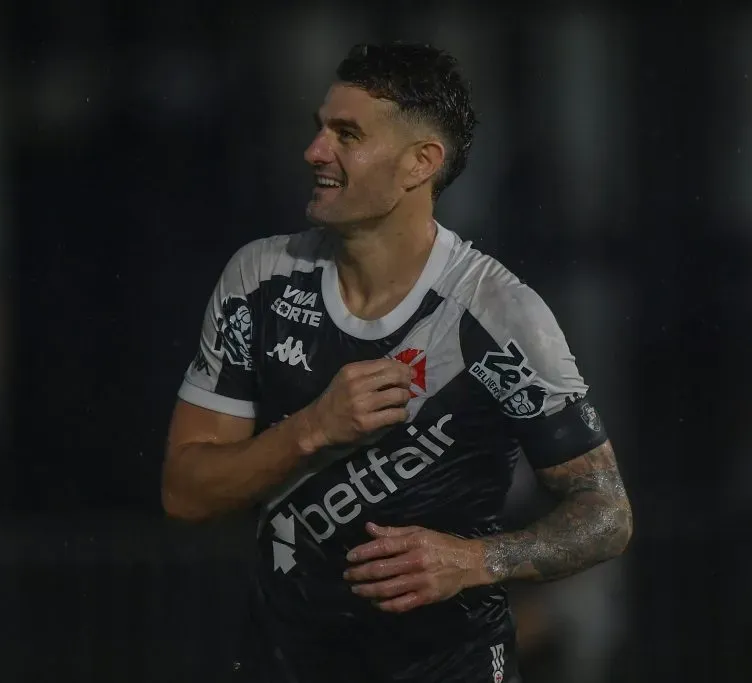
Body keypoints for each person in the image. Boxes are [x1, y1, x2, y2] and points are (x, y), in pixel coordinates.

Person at [162, 42, 633, 683]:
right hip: (286, 662)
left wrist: (476, 561)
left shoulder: (497, 314)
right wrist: (311, 429)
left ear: (420, 163)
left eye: (346, 134)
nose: (315, 152)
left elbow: (606, 514)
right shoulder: (260, 279)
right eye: (320, 127)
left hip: (450, 664)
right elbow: (185, 493)